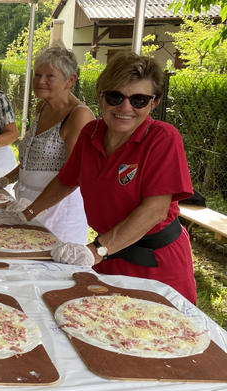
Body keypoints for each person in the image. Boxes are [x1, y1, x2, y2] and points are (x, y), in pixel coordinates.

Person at [21, 53, 197, 303]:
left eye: (139, 100)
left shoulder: (163, 138)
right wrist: (25, 214)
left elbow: (156, 209)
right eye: (115, 97)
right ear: (100, 96)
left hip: (155, 264)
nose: (126, 108)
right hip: (109, 255)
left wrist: (97, 250)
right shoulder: (91, 133)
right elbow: (66, 180)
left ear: (153, 103)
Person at [0, 47, 94, 243]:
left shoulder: (78, 116)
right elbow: (32, 160)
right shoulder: (42, 107)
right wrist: (4, 180)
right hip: (28, 203)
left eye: (50, 76)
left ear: (70, 80)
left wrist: (30, 212)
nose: (40, 81)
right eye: (37, 75)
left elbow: (73, 177)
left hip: (59, 212)